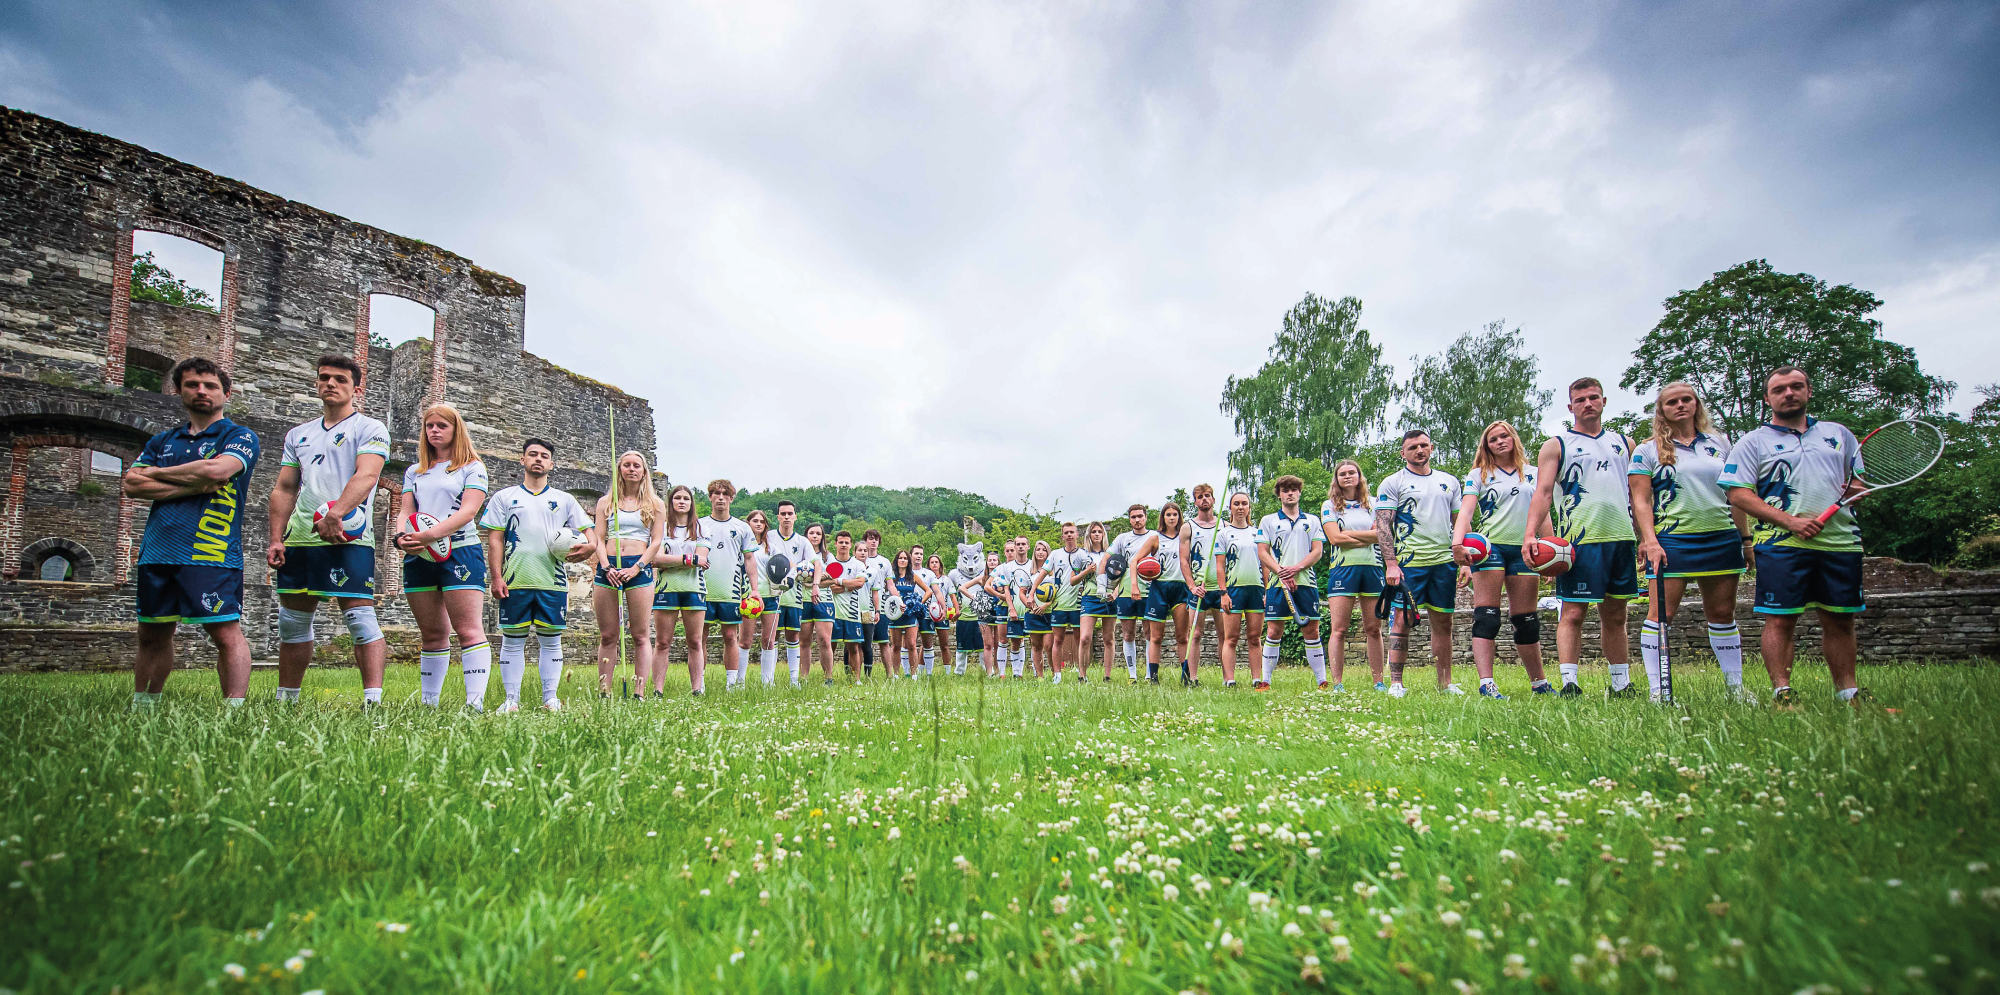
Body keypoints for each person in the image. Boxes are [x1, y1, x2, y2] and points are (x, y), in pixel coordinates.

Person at [1719, 366, 1872, 706]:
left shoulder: (1839, 435)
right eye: (1779, 389)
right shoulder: (1752, 442)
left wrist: (1858, 492)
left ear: (1809, 390)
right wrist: (1790, 521)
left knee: (1840, 619)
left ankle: (1849, 692)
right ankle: (1782, 691)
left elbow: (1857, 482)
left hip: (1840, 542)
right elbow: (1739, 494)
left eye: (1796, 386)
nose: (1788, 393)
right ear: (1767, 398)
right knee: (1780, 620)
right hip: (1781, 545)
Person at [122, 357, 260, 709]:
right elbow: (132, 484)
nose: (201, 391)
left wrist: (161, 475)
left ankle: (234, 710)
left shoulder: (238, 436)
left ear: (226, 393)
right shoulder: (161, 441)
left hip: (209, 550)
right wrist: (195, 481)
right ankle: (144, 707)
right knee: (151, 632)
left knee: (224, 632)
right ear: (178, 390)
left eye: (210, 385)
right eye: (192, 384)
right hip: (157, 550)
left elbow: (219, 471)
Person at [265, 354, 390, 705]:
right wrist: (276, 537)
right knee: (292, 623)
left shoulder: (369, 428)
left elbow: (367, 475)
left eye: (339, 379)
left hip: (348, 536)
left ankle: (373, 703)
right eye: (324, 378)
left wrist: (337, 513)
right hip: (301, 539)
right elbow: (285, 488)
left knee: (361, 620)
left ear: (356, 389)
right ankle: (286, 700)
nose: (330, 384)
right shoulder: (298, 434)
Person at [1631, 383, 1754, 702]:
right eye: (1672, 402)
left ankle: (1736, 688)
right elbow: (1641, 500)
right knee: (1661, 616)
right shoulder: (1647, 450)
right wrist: (1649, 540)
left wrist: (1746, 540)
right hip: (1673, 541)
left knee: (1723, 613)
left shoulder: (1722, 443)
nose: (1680, 405)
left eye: (1687, 399)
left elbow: (1736, 494)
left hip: (1721, 537)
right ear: (1661, 410)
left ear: (1697, 404)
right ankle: (1658, 691)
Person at [1528, 378, 1640, 699]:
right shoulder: (1557, 445)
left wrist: (1648, 538)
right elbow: (1544, 492)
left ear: (1604, 401)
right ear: (1570, 407)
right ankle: (1569, 684)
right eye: (1580, 400)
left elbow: (1639, 496)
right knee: (1573, 613)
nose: (1587, 404)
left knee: (1616, 615)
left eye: (1593, 398)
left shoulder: (1626, 443)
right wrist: (1530, 535)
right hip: (1578, 542)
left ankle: (1620, 684)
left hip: (1620, 538)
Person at [482, 438, 597, 711]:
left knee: (551, 640)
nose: (538, 459)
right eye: (532, 454)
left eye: (544, 456)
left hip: (552, 582)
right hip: (515, 580)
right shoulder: (504, 497)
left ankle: (550, 698)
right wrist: (496, 577)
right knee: (512, 640)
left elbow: (591, 535)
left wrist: (590, 546)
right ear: (522, 460)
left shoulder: (564, 500)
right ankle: (511, 700)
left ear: (551, 464)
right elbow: (495, 539)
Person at [393, 402, 492, 709]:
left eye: (441, 426)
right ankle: (429, 703)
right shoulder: (414, 471)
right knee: (433, 633)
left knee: (468, 628)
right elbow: (406, 510)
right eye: (429, 426)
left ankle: (474, 703)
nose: (434, 430)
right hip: (419, 556)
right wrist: (401, 538)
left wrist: (431, 535)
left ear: (455, 430)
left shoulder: (472, 467)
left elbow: (469, 511)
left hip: (460, 552)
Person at [1456, 423, 1553, 696]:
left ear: (1513, 438)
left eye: (1504, 436)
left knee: (1527, 620)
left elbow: (1543, 515)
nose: (1499, 442)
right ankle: (1486, 683)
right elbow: (1466, 510)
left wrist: (1550, 553)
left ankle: (1540, 683)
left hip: (1525, 548)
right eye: (1493, 439)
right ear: (1486, 446)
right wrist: (1458, 543)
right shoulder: (1479, 474)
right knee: (1487, 617)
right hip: (1489, 549)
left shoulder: (1534, 474)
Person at [1374, 430, 1463, 697]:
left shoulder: (1449, 482)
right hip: (1408, 564)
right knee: (1401, 620)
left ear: (1432, 448)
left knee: (1444, 623)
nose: (1419, 450)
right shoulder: (1392, 482)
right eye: (1412, 447)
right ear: (1403, 453)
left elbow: (1460, 523)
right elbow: (1382, 525)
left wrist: (1465, 560)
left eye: (1424, 445)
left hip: (1444, 562)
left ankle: (1445, 683)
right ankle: (1397, 683)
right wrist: (1391, 563)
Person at [593, 451, 663, 697]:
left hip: (638, 566)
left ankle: (639, 691)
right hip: (609, 566)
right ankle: (604, 690)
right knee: (608, 634)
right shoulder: (606, 502)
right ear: (619, 469)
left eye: (637, 465)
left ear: (644, 471)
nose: (631, 469)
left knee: (640, 633)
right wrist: (605, 566)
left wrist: (637, 567)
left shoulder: (655, 504)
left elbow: (656, 542)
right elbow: (598, 539)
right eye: (626, 465)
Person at [1258, 475, 1327, 689]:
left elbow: (1318, 551)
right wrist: (1281, 573)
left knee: (1311, 630)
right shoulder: (1268, 520)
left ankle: (1322, 680)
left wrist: (1296, 569)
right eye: (1285, 490)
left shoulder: (1313, 520)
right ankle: (1265, 681)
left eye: (1294, 489)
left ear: (1299, 492)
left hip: (1306, 581)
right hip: (1278, 584)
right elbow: (1263, 552)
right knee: (1273, 631)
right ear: (1279, 494)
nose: (1290, 493)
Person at [1320, 460, 1384, 692]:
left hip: (1373, 568)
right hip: (1342, 570)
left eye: (1351, 473)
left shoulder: (1375, 504)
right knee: (1339, 629)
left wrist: (1350, 534)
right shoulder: (1329, 505)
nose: (1347, 477)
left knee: (1373, 628)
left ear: (1359, 476)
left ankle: (1379, 681)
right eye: (1342, 474)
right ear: (1336, 479)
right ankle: (1338, 683)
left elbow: (1381, 536)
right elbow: (1335, 539)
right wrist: (1366, 535)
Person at [651, 484, 710, 694]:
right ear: (671, 502)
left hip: (694, 589)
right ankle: (657, 690)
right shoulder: (661, 527)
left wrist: (672, 561)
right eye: (677, 498)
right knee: (662, 642)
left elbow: (702, 559)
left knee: (695, 641)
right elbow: (655, 559)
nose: (682, 501)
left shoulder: (702, 529)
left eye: (686, 498)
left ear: (691, 503)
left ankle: (697, 689)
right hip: (666, 589)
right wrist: (688, 558)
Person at [700, 479, 759, 689]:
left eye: (725, 494)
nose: (721, 497)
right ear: (710, 497)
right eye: (716, 493)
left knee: (730, 636)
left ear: (732, 498)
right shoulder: (699, 524)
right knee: (700, 637)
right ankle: (700, 682)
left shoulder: (742, 528)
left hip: (731, 591)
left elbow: (750, 560)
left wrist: (754, 589)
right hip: (703, 590)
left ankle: (732, 684)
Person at [1133, 502, 1194, 685]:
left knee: (1182, 636)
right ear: (1163, 517)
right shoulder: (1155, 538)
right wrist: (1136, 583)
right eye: (1168, 514)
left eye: (1175, 514)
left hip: (1180, 587)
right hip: (1159, 588)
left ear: (1179, 517)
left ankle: (1186, 677)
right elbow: (1135, 560)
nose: (1172, 518)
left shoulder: (1187, 537)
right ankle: (1153, 678)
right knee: (1156, 636)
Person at [1214, 492, 1264, 688]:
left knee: (1254, 637)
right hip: (1233, 589)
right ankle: (1229, 679)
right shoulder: (1224, 534)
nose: (1241, 507)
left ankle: (1257, 678)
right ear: (1230, 508)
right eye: (1237, 504)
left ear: (1249, 508)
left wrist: (1267, 591)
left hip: (1256, 589)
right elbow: (1219, 566)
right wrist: (1223, 593)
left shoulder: (1258, 532)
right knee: (1231, 637)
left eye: (1244, 503)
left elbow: (1264, 563)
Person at [767, 501, 815, 685]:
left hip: (794, 594)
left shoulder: (802, 542)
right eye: (783, 513)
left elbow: (813, 564)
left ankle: (794, 680)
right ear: (778, 516)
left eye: (790, 513)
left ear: (795, 516)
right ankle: (768, 680)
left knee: (793, 635)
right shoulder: (769, 536)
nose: (786, 516)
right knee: (772, 636)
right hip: (772, 592)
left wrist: (815, 583)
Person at [1107, 505, 1157, 682]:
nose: (1137, 520)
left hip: (1149, 591)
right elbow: (1109, 558)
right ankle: (1133, 675)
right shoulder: (1122, 538)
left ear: (1146, 517)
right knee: (1128, 634)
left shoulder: (1154, 536)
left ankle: (1150, 675)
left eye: (1140, 516)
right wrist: (1106, 582)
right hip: (1126, 591)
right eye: (1133, 517)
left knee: (1149, 633)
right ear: (1129, 519)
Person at [1036, 524, 1088, 684]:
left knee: (1081, 640)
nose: (1069, 535)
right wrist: (1032, 592)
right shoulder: (1055, 554)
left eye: (1072, 532)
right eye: (1066, 533)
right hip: (1059, 604)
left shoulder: (1083, 554)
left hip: (1078, 604)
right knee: (1057, 640)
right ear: (1063, 536)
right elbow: (1043, 573)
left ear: (1077, 534)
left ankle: (1082, 674)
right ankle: (1057, 675)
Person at [1182, 485, 1222, 684]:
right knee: (1195, 634)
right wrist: (1191, 586)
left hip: (1221, 588)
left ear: (1213, 500)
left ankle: (1227, 677)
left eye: (1208, 496)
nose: (1204, 499)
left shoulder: (1224, 525)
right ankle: (1194, 678)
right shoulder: (1188, 527)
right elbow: (1183, 560)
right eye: (1200, 497)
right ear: (1195, 502)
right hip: (1199, 588)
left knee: (1225, 635)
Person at [828, 530, 876, 682]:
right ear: (835, 544)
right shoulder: (829, 563)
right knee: (830, 646)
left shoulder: (857, 564)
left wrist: (840, 581)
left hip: (852, 612)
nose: (843, 545)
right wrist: (850, 584)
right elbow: (829, 587)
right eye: (840, 542)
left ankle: (857, 679)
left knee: (854, 648)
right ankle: (828, 678)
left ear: (850, 545)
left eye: (846, 542)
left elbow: (860, 583)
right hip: (833, 612)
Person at [1075, 522, 1116, 683]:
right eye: (1094, 532)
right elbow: (1073, 579)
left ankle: (1107, 676)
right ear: (1089, 535)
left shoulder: (1111, 553)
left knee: (1108, 638)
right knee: (1085, 637)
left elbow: (1121, 576)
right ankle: (1082, 675)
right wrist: (1086, 571)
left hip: (1109, 598)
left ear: (1104, 535)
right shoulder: (1082, 554)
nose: (1097, 534)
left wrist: (1115, 592)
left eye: (1100, 531)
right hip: (1090, 597)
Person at [745, 509, 781, 685]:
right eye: (755, 521)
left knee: (769, 640)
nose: (758, 524)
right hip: (748, 598)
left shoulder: (772, 548)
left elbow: (782, 569)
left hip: (770, 597)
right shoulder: (742, 545)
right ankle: (738, 681)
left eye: (762, 521)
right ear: (748, 523)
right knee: (745, 640)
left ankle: (768, 681)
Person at [801, 523, 836, 684]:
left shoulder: (828, 557)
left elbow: (833, 580)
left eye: (818, 534)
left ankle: (828, 678)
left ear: (822, 537)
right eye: (811, 533)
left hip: (824, 601)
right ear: (806, 535)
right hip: (802, 600)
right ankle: (803, 678)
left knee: (824, 639)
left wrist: (812, 583)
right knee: (804, 641)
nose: (814, 536)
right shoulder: (800, 553)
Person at [858, 529, 894, 677]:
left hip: (881, 608)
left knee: (884, 642)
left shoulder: (884, 562)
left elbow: (890, 584)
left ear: (879, 542)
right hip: (862, 607)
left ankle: (890, 675)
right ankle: (858, 676)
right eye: (870, 538)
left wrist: (898, 600)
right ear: (865, 541)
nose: (873, 541)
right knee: (861, 643)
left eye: (876, 539)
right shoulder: (858, 561)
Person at [889, 549, 925, 678]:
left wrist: (917, 604)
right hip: (895, 615)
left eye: (905, 558)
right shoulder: (891, 576)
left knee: (911, 644)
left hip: (910, 615)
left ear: (909, 561)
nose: (903, 560)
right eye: (900, 558)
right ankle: (896, 674)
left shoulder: (913, 576)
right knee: (896, 646)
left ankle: (914, 674)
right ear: (896, 560)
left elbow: (928, 591)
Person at [1022, 539, 1054, 678]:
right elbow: (1022, 592)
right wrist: (1032, 606)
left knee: (1049, 646)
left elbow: (1059, 591)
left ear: (1048, 552)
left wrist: (1045, 605)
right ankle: (1039, 676)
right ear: (1034, 552)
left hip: (1050, 613)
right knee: (1036, 646)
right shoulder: (1029, 571)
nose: (1040, 552)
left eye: (1044, 550)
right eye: (1038, 549)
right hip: (1033, 613)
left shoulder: (1054, 571)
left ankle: (1055, 674)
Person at [917, 550, 949, 675]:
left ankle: (943, 672)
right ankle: (916, 672)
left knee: (940, 643)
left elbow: (940, 593)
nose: (935, 564)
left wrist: (945, 608)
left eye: (937, 562)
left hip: (936, 612)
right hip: (918, 610)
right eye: (932, 562)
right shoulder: (913, 573)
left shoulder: (944, 579)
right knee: (916, 643)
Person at [977, 550, 1005, 676]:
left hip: (999, 610)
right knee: (987, 644)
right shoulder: (982, 578)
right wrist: (975, 598)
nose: (992, 562)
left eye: (995, 560)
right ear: (986, 563)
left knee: (998, 643)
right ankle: (989, 672)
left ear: (998, 562)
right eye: (990, 560)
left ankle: (999, 671)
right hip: (985, 612)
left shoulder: (1003, 576)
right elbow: (962, 587)